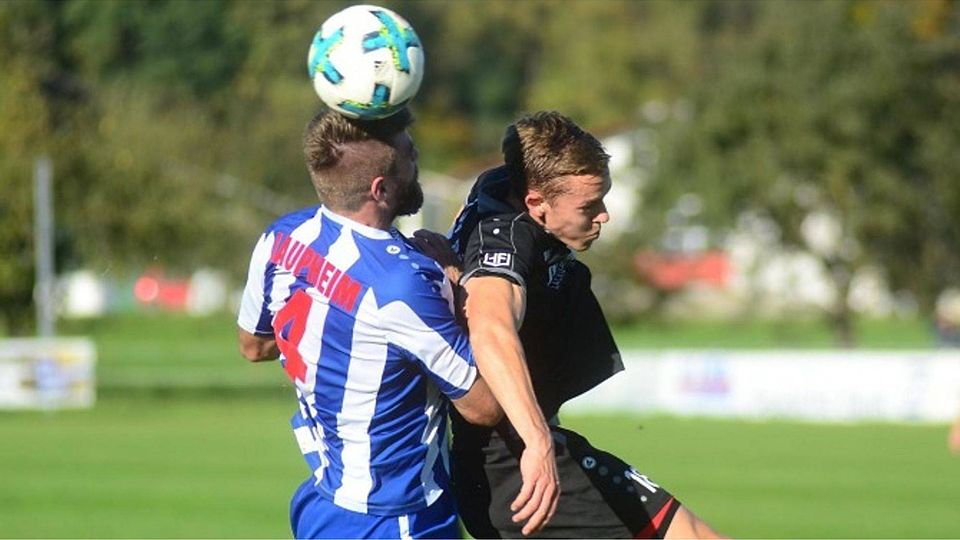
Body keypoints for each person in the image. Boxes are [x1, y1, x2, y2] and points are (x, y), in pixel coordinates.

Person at [236, 108, 557, 538]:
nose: (417, 154)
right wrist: (461, 287)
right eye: (408, 152)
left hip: (322, 504)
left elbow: (254, 346)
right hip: (396, 516)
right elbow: (483, 406)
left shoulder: (282, 237)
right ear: (380, 188)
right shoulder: (402, 285)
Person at [441, 111, 725, 538]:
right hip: (515, 467)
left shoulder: (502, 185)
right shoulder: (505, 240)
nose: (604, 216)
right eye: (589, 206)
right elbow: (490, 327)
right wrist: (537, 442)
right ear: (536, 203)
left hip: (515, 463)